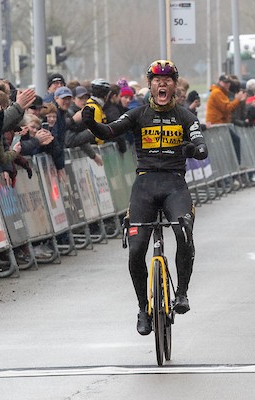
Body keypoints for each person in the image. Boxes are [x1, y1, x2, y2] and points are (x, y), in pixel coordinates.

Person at [81, 59, 208, 336]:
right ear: (150, 85)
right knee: (137, 249)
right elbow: (109, 131)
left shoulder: (186, 117)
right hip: (145, 186)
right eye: (156, 80)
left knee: (184, 232)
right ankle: (142, 308)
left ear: (174, 85)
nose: (162, 83)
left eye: (168, 79)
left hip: (174, 185)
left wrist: (193, 148)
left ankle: (182, 294)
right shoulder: (137, 115)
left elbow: (202, 147)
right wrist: (91, 123)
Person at [205, 74, 246, 165]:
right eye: (225, 83)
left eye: (228, 83)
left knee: (229, 144)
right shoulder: (217, 93)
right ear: (220, 82)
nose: (227, 85)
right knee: (232, 142)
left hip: (220, 124)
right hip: (217, 124)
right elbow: (227, 108)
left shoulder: (221, 92)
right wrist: (237, 100)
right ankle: (235, 165)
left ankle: (233, 166)